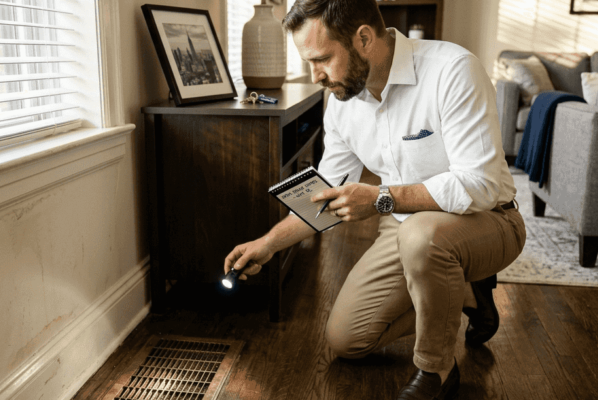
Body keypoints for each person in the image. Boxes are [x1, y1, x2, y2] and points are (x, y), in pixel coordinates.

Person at [223, 0, 526, 398]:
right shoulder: (342, 103)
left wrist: (381, 199)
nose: (316, 76)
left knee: (422, 236)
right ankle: (468, 292)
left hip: (490, 220)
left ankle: (436, 370)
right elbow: (324, 193)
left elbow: (481, 184)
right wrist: (267, 244)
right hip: (407, 230)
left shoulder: (452, 70)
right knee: (346, 339)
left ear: (364, 38)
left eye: (322, 59)